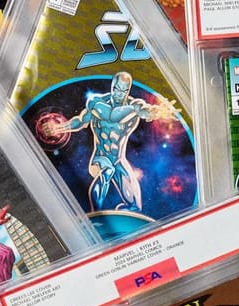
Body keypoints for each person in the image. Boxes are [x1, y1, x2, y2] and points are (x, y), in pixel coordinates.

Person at [42, 72, 179, 213]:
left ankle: (122, 217)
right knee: (108, 170)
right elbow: (82, 121)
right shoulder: (97, 103)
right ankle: (96, 212)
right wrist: (58, 127)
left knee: (135, 206)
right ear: (112, 86)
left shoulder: (134, 105)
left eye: (124, 90)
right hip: (100, 158)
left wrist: (157, 112)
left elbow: (144, 110)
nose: (119, 94)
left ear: (128, 90)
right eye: (117, 89)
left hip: (118, 159)